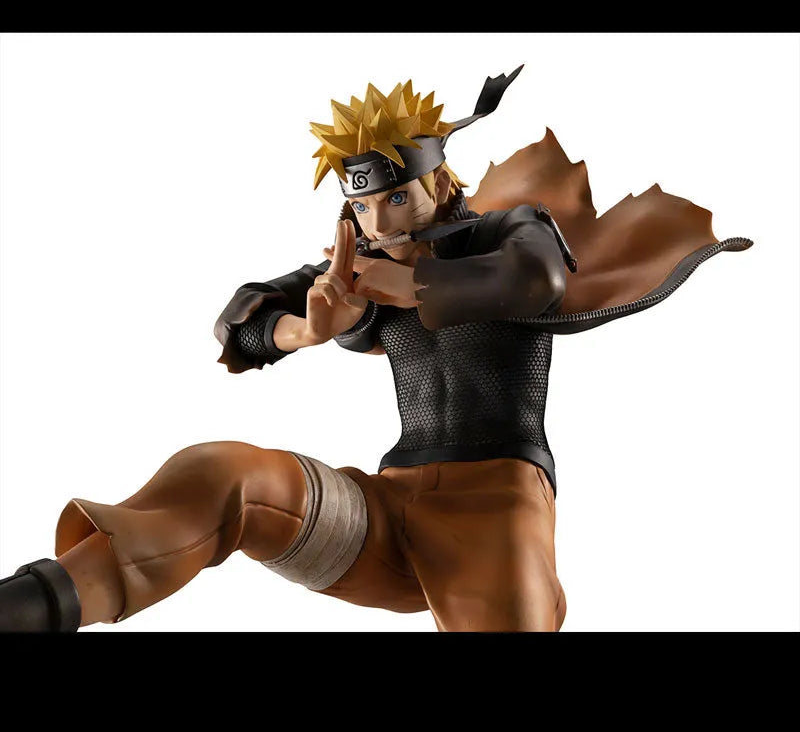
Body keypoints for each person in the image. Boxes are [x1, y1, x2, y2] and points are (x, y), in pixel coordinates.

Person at [0, 67, 750, 632]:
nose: (381, 220)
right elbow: (241, 320)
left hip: (497, 506)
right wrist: (305, 330)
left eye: (395, 197)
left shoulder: (503, 231)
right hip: (389, 512)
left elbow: (537, 279)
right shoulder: (357, 261)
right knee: (221, 472)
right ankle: (43, 600)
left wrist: (416, 283)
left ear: (440, 179)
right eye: (361, 204)